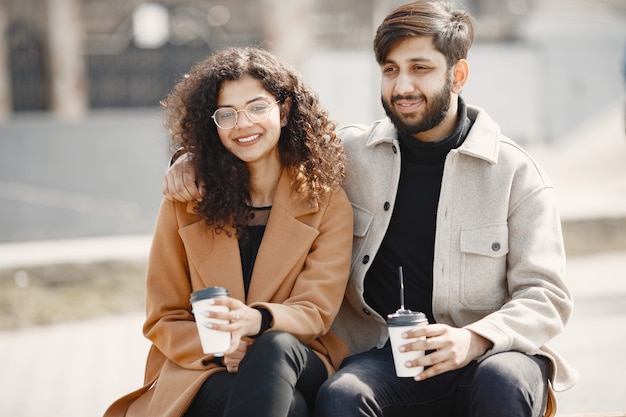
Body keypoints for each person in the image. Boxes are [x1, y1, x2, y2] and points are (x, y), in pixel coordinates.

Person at [162, 2, 578, 416]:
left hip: (490, 352)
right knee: (342, 395)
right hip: (386, 355)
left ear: (458, 75)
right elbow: (261, 146)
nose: (402, 86)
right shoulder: (348, 155)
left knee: (501, 381)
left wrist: (474, 339)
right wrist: (192, 157)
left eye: (420, 68)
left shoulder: (516, 173)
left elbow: (546, 296)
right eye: (391, 70)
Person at [104, 46, 353, 417]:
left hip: (299, 355)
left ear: (283, 112)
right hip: (203, 366)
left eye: (257, 107)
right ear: (213, 124)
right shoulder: (184, 203)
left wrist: (257, 321)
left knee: (274, 349)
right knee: (293, 410)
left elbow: (315, 310)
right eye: (227, 114)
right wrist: (219, 348)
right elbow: (164, 317)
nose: (243, 124)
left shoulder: (326, 203)